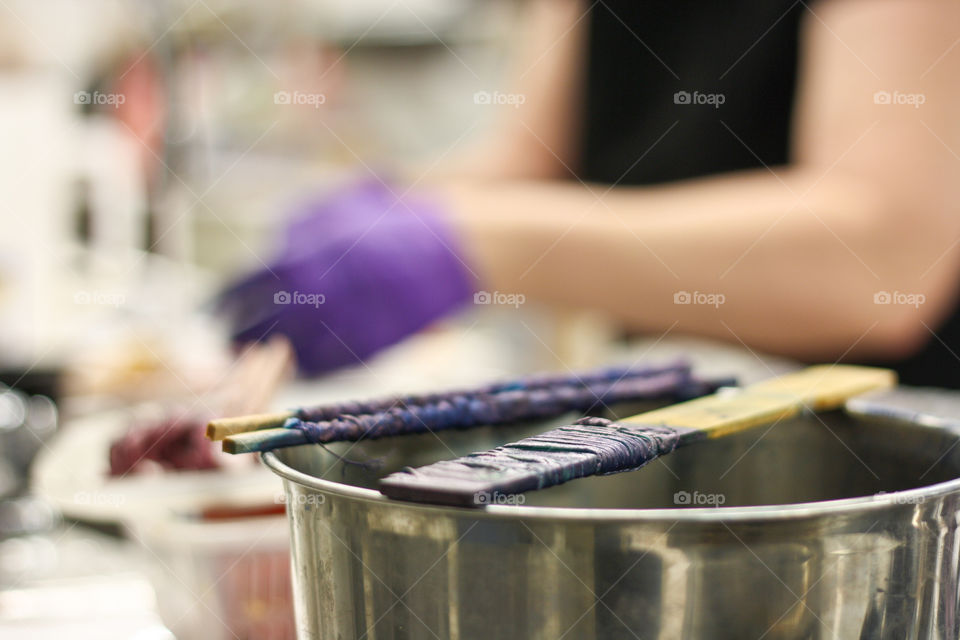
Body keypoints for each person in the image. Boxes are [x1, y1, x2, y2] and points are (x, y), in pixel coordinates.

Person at [221, 0, 960, 387]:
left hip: (897, 488)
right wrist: (380, 212)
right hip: (688, 427)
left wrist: (468, 241)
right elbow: (530, 158)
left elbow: (881, 259)